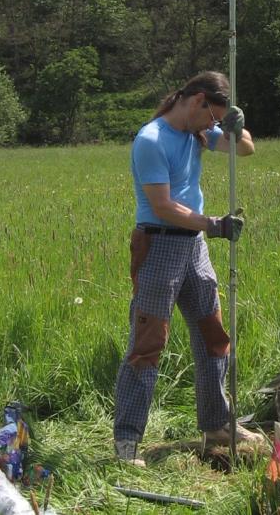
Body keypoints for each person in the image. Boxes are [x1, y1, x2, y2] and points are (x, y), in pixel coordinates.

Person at [113, 71, 263, 466]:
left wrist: (237, 126)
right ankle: (127, 443)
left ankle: (217, 423)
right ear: (197, 101)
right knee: (147, 345)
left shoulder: (198, 133)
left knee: (213, 336)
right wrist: (215, 225)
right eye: (213, 116)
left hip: (193, 248)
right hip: (158, 246)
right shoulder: (151, 140)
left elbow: (245, 150)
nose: (214, 126)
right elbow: (162, 206)